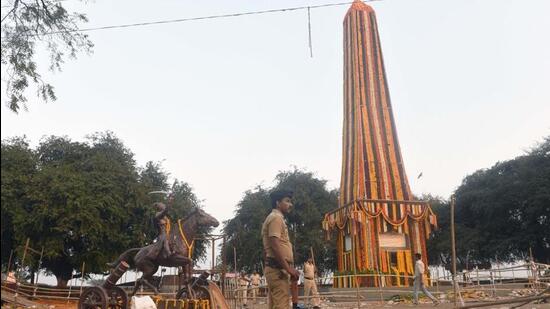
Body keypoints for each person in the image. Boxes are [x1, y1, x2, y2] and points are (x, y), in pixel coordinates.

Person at [262, 189, 299, 309]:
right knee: (282, 306)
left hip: (276, 269)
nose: (290, 204)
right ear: (278, 203)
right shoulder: (276, 218)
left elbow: (268, 248)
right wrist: (288, 269)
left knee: (276, 305)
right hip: (277, 270)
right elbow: (274, 244)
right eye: (287, 201)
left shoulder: (275, 218)